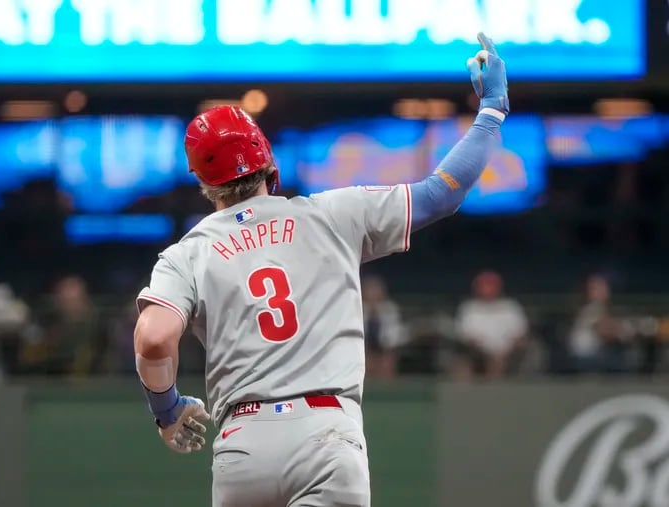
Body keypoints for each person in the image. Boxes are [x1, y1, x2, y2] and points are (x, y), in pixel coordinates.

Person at [134, 33, 509, 507]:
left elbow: (152, 337)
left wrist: (167, 410)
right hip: (325, 431)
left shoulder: (188, 253)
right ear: (265, 156)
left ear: (204, 182)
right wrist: (491, 111)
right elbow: (442, 193)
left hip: (242, 442)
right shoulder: (330, 214)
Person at [451, 270, 529, 381]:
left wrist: (505, 351)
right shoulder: (469, 308)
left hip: (508, 353)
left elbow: (520, 335)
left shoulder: (510, 307)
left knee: (498, 362)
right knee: (461, 365)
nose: (487, 291)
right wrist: (484, 351)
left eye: (491, 287)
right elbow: (465, 335)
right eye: (484, 287)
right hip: (477, 353)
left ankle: (493, 394)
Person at [569, 274, 631, 373]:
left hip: (593, 356)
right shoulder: (591, 308)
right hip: (586, 358)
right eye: (598, 288)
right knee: (625, 360)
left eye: (604, 287)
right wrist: (624, 331)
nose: (605, 290)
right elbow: (604, 330)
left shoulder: (601, 308)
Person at [361, 275, 407, 379]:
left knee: (388, 360)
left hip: (384, 349)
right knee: (364, 359)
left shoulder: (390, 309)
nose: (373, 295)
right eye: (370, 291)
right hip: (364, 349)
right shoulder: (359, 307)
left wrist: (384, 347)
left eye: (376, 291)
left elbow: (394, 336)